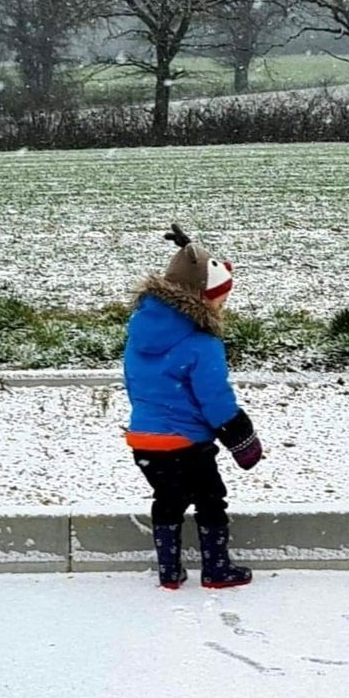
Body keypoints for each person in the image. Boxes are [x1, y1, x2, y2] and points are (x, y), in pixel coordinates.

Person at [122, 223, 263, 590]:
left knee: (167, 499)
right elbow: (215, 399)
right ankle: (216, 568)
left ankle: (169, 571)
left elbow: (136, 383)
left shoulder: (140, 332)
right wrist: (241, 437)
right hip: (186, 443)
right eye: (221, 298)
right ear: (203, 298)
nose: (224, 304)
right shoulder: (202, 343)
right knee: (210, 498)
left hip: (144, 440)